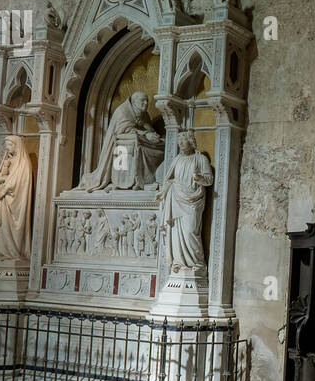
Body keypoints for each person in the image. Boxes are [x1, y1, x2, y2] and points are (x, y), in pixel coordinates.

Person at [80, 90, 164, 190]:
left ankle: (151, 179)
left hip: (141, 140)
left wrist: (150, 133)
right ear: (134, 101)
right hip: (121, 141)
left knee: (161, 145)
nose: (146, 103)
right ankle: (138, 181)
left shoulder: (144, 113)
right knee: (141, 148)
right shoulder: (123, 111)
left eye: (147, 101)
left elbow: (148, 126)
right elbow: (123, 129)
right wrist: (146, 134)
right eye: (143, 101)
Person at [156, 133, 214, 274]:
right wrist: (162, 192)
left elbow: (209, 180)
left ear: (191, 142)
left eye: (183, 141)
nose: (180, 144)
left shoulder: (200, 159)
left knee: (190, 232)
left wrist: (199, 177)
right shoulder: (177, 159)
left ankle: (198, 264)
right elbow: (169, 179)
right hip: (176, 198)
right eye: (179, 141)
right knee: (175, 232)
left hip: (193, 201)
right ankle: (179, 263)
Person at [0, 136, 33, 261]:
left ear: (16, 145)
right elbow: (0, 176)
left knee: (14, 227)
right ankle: (6, 251)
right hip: (4, 200)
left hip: (15, 201)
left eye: (9, 145)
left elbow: (19, 182)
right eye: (6, 146)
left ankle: (15, 252)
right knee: (2, 226)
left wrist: (4, 185)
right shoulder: (8, 161)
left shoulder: (23, 163)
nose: (7, 149)